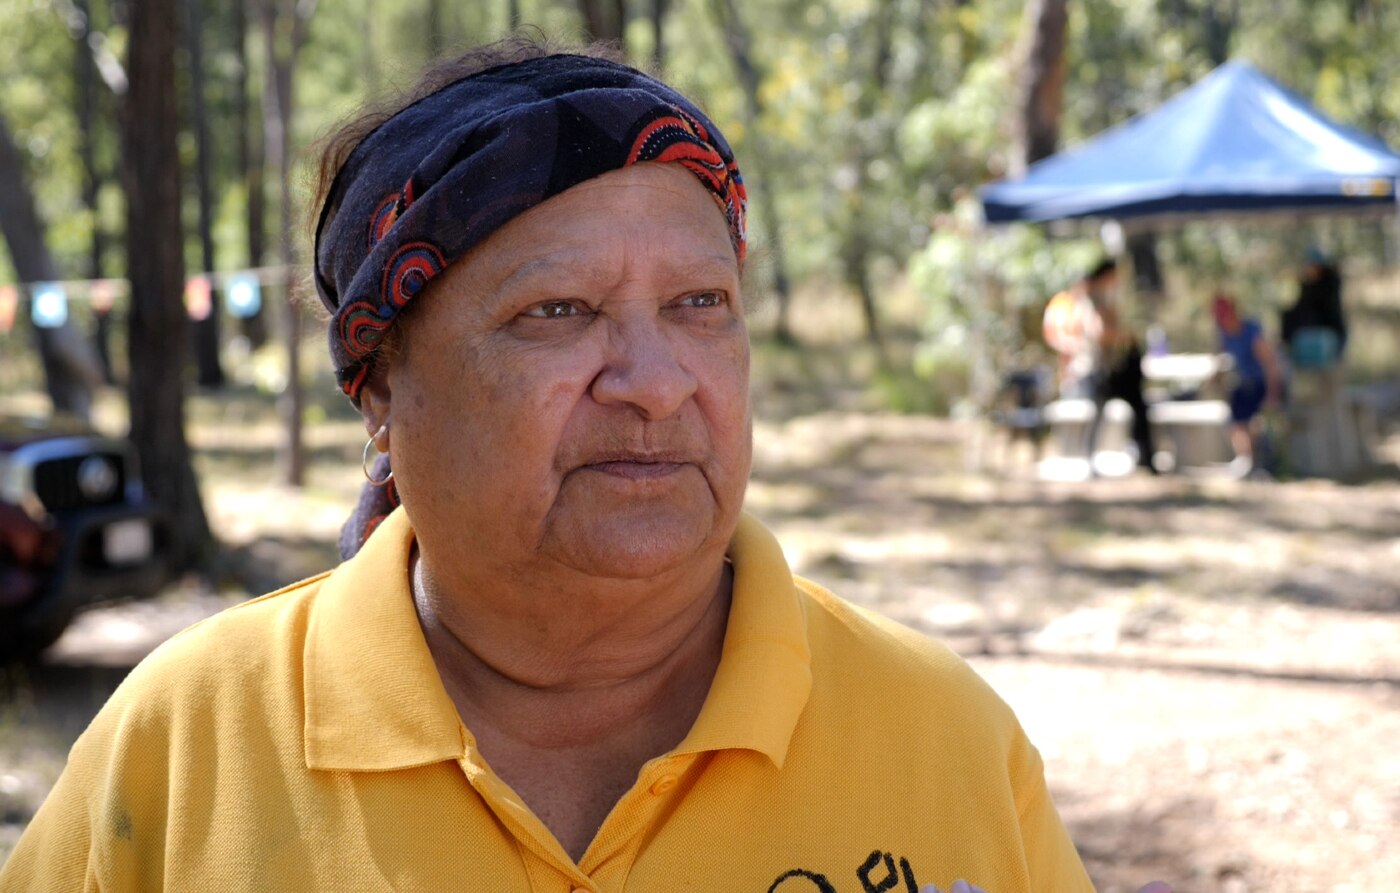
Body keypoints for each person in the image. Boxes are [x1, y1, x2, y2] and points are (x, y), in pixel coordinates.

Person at [2, 41, 1167, 893]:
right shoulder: (187, 746)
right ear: (381, 388)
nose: (657, 380)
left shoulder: (938, 735)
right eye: (556, 310)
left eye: (699, 303)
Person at [1043, 259, 1156, 473]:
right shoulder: (1093, 299)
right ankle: (1104, 456)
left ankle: (1139, 454)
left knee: (1123, 410)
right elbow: (1100, 332)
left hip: (1103, 367)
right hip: (1099, 369)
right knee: (1110, 411)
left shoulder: (1095, 296)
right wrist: (1125, 336)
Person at [1212, 293, 1282, 476]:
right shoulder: (1225, 334)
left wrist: (1272, 394)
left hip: (1261, 383)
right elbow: (1221, 358)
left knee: (1256, 424)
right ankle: (1245, 460)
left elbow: (1270, 364)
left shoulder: (1252, 331)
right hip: (1242, 384)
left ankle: (1262, 464)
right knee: (1234, 422)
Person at [1280, 247, 1346, 369]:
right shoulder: (1308, 284)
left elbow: (1324, 306)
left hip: (1328, 328)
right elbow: (1299, 307)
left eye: (1312, 265)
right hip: (1309, 331)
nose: (1309, 268)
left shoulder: (1329, 283)